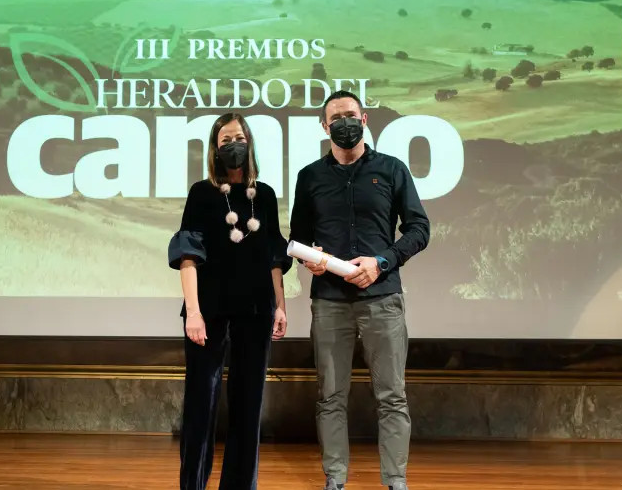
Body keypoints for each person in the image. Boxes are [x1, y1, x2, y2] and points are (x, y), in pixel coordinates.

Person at [290, 90, 431, 490]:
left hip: (383, 299)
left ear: (364, 119)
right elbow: (298, 237)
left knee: (392, 397)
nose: (344, 123)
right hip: (329, 303)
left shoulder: (392, 169)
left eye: (350, 115)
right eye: (336, 118)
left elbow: (419, 229)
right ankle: (335, 479)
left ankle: (395, 481)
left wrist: (382, 262)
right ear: (325, 127)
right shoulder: (310, 177)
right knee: (330, 397)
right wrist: (310, 257)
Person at [169, 112, 292, 490]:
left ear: (249, 143)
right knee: (200, 404)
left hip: (256, 310)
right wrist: (193, 312)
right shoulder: (201, 193)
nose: (233, 145)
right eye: (225, 140)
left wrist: (280, 305)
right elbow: (188, 255)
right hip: (208, 311)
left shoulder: (264, 195)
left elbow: (273, 257)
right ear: (215, 148)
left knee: (248, 404)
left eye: (239, 138)